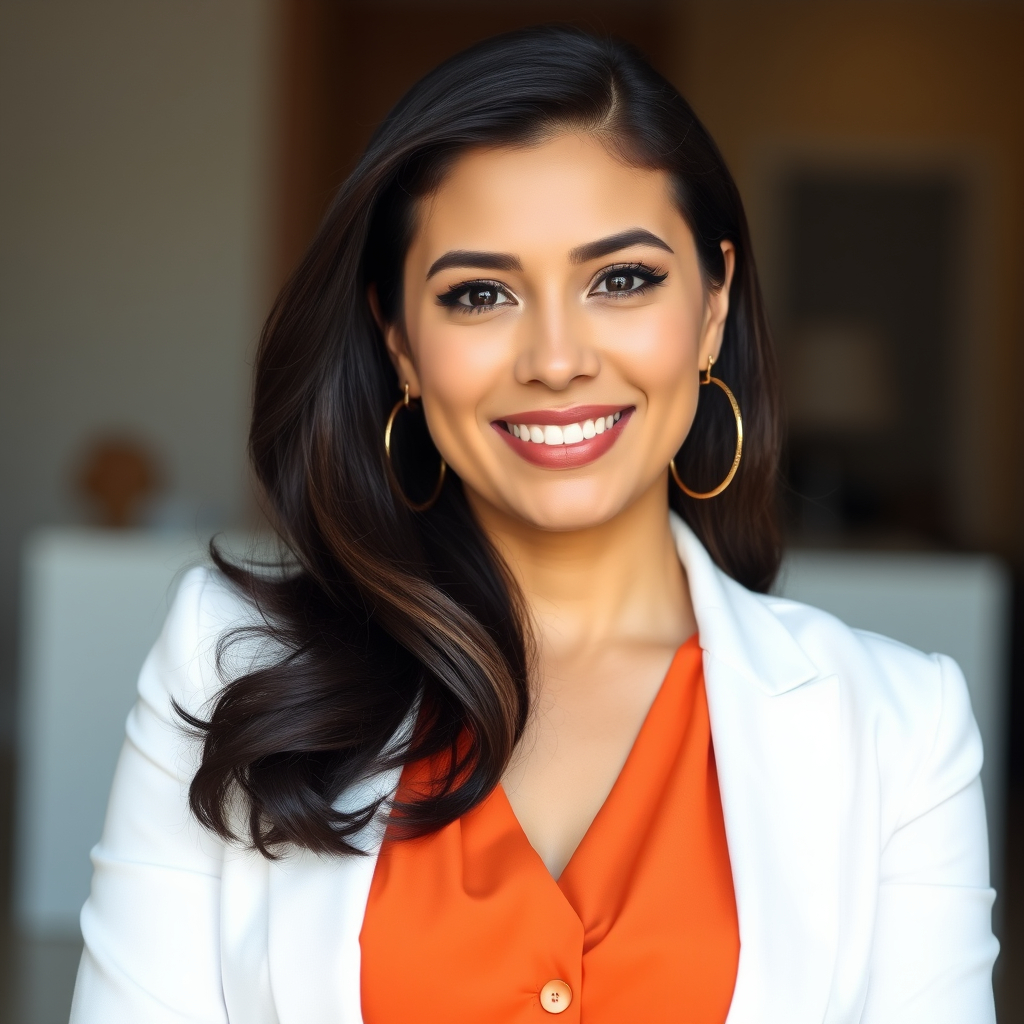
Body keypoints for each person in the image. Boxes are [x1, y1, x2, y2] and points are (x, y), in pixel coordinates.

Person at [69, 26, 998, 1024]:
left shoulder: (900, 731)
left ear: (714, 306)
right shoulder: (227, 664)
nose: (556, 358)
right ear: (401, 342)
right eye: (480, 294)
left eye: (621, 279)